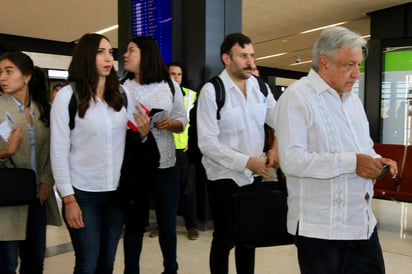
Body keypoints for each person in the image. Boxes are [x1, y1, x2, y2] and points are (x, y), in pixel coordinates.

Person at [273, 26, 398, 274]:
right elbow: (291, 160)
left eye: (358, 65)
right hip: (320, 228)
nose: (356, 74)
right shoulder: (297, 97)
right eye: (349, 65)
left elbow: (364, 146)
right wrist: (353, 162)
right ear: (324, 63)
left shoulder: (353, 100)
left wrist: (376, 159)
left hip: (361, 223)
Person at [50, 33, 149, 274]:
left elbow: (130, 141)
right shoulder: (68, 97)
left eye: (110, 53)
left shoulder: (120, 95)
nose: (109, 58)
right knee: (87, 262)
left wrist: (144, 133)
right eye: (100, 52)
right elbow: (58, 151)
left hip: (115, 192)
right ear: (86, 56)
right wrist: (68, 198)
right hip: (83, 194)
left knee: (107, 261)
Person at [196, 33, 278, 274]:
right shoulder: (212, 91)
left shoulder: (260, 88)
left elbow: (280, 120)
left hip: (252, 177)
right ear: (226, 59)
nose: (250, 61)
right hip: (223, 177)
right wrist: (247, 162)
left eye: (251, 55)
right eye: (243, 56)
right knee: (224, 238)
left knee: (248, 238)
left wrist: (275, 148)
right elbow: (208, 144)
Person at [122, 36, 186, 274]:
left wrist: (170, 124)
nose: (125, 55)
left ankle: (171, 268)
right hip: (135, 167)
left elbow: (183, 121)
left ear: (146, 55)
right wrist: (139, 132)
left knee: (167, 224)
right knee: (135, 224)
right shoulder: (121, 88)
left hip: (166, 165)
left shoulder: (170, 86)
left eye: (131, 50)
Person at [0, 51, 61, 274]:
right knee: (6, 263)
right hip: (7, 195)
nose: (2, 77)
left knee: (35, 260)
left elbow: (55, 149)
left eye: (9, 71)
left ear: (26, 76)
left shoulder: (44, 109)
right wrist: (7, 151)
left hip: (38, 195)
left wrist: (46, 181)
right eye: (0, 72)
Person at [149, 62, 199, 240]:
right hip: (163, 150)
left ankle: (191, 226)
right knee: (162, 192)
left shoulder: (192, 96)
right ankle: (161, 225)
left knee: (188, 191)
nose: (176, 77)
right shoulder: (157, 96)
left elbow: (196, 123)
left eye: (179, 74)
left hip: (184, 150)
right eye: (172, 74)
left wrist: (192, 144)